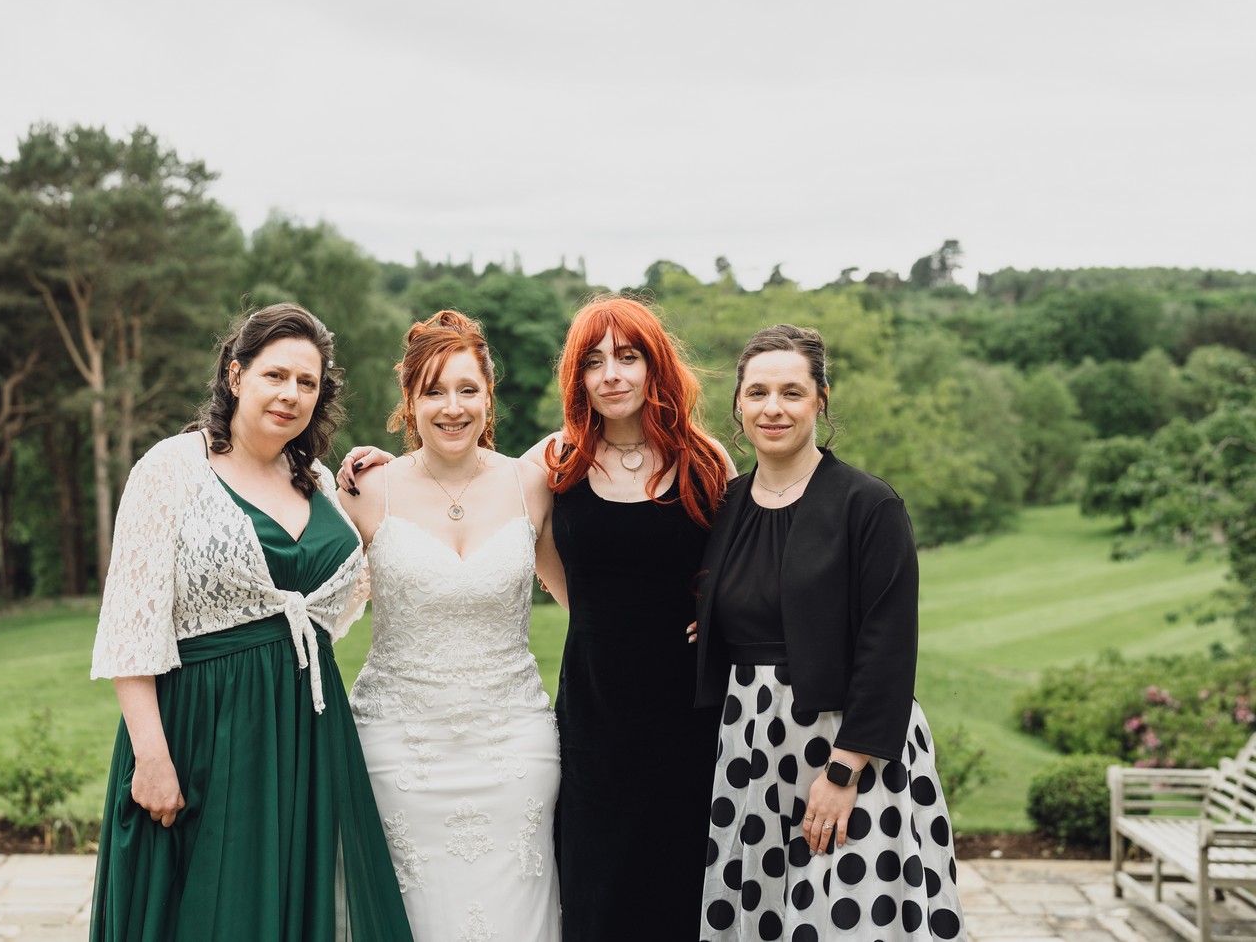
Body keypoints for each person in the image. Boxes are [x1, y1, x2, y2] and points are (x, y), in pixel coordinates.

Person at [340, 294, 735, 940]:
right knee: (592, 896)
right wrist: (371, 463)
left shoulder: (700, 463)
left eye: (627, 357)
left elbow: (738, 573)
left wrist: (720, 620)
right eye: (594, 361)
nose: (611, 374)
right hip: (573, 720)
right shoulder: (555, 463)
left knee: (682, 888)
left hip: (673, 715)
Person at [88, 304, 414, 942]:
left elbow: (351, 590)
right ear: (236, 376)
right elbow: (131, 623)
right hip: (201, 727)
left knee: (290, 909)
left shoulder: (320, 482)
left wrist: (393, 476)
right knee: (210, 913)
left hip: (305, 732)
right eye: (275, 375)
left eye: (307, 382)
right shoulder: (172, 468)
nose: (291, 393)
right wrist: (151, 756)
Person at [692, 324, 965, 940]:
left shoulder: (868, 504)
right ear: (738, 403)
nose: (773, 408)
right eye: (758, 392)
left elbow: (888, 646)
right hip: (751, 750)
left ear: (821, 399)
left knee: (847, 921)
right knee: (761, 917)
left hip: (849, 752)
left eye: (792, 392)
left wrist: (845, 772)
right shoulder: (725, 505)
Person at [341, 310, 561, 942]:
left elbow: (588, 599)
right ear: (409, 400)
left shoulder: (533, 483)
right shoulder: (365, 489)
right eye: (433, 391)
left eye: (468, 389)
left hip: (513, 751)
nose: (452, 407)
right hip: (398, 750)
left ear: (489, 394)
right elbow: (314, 594)